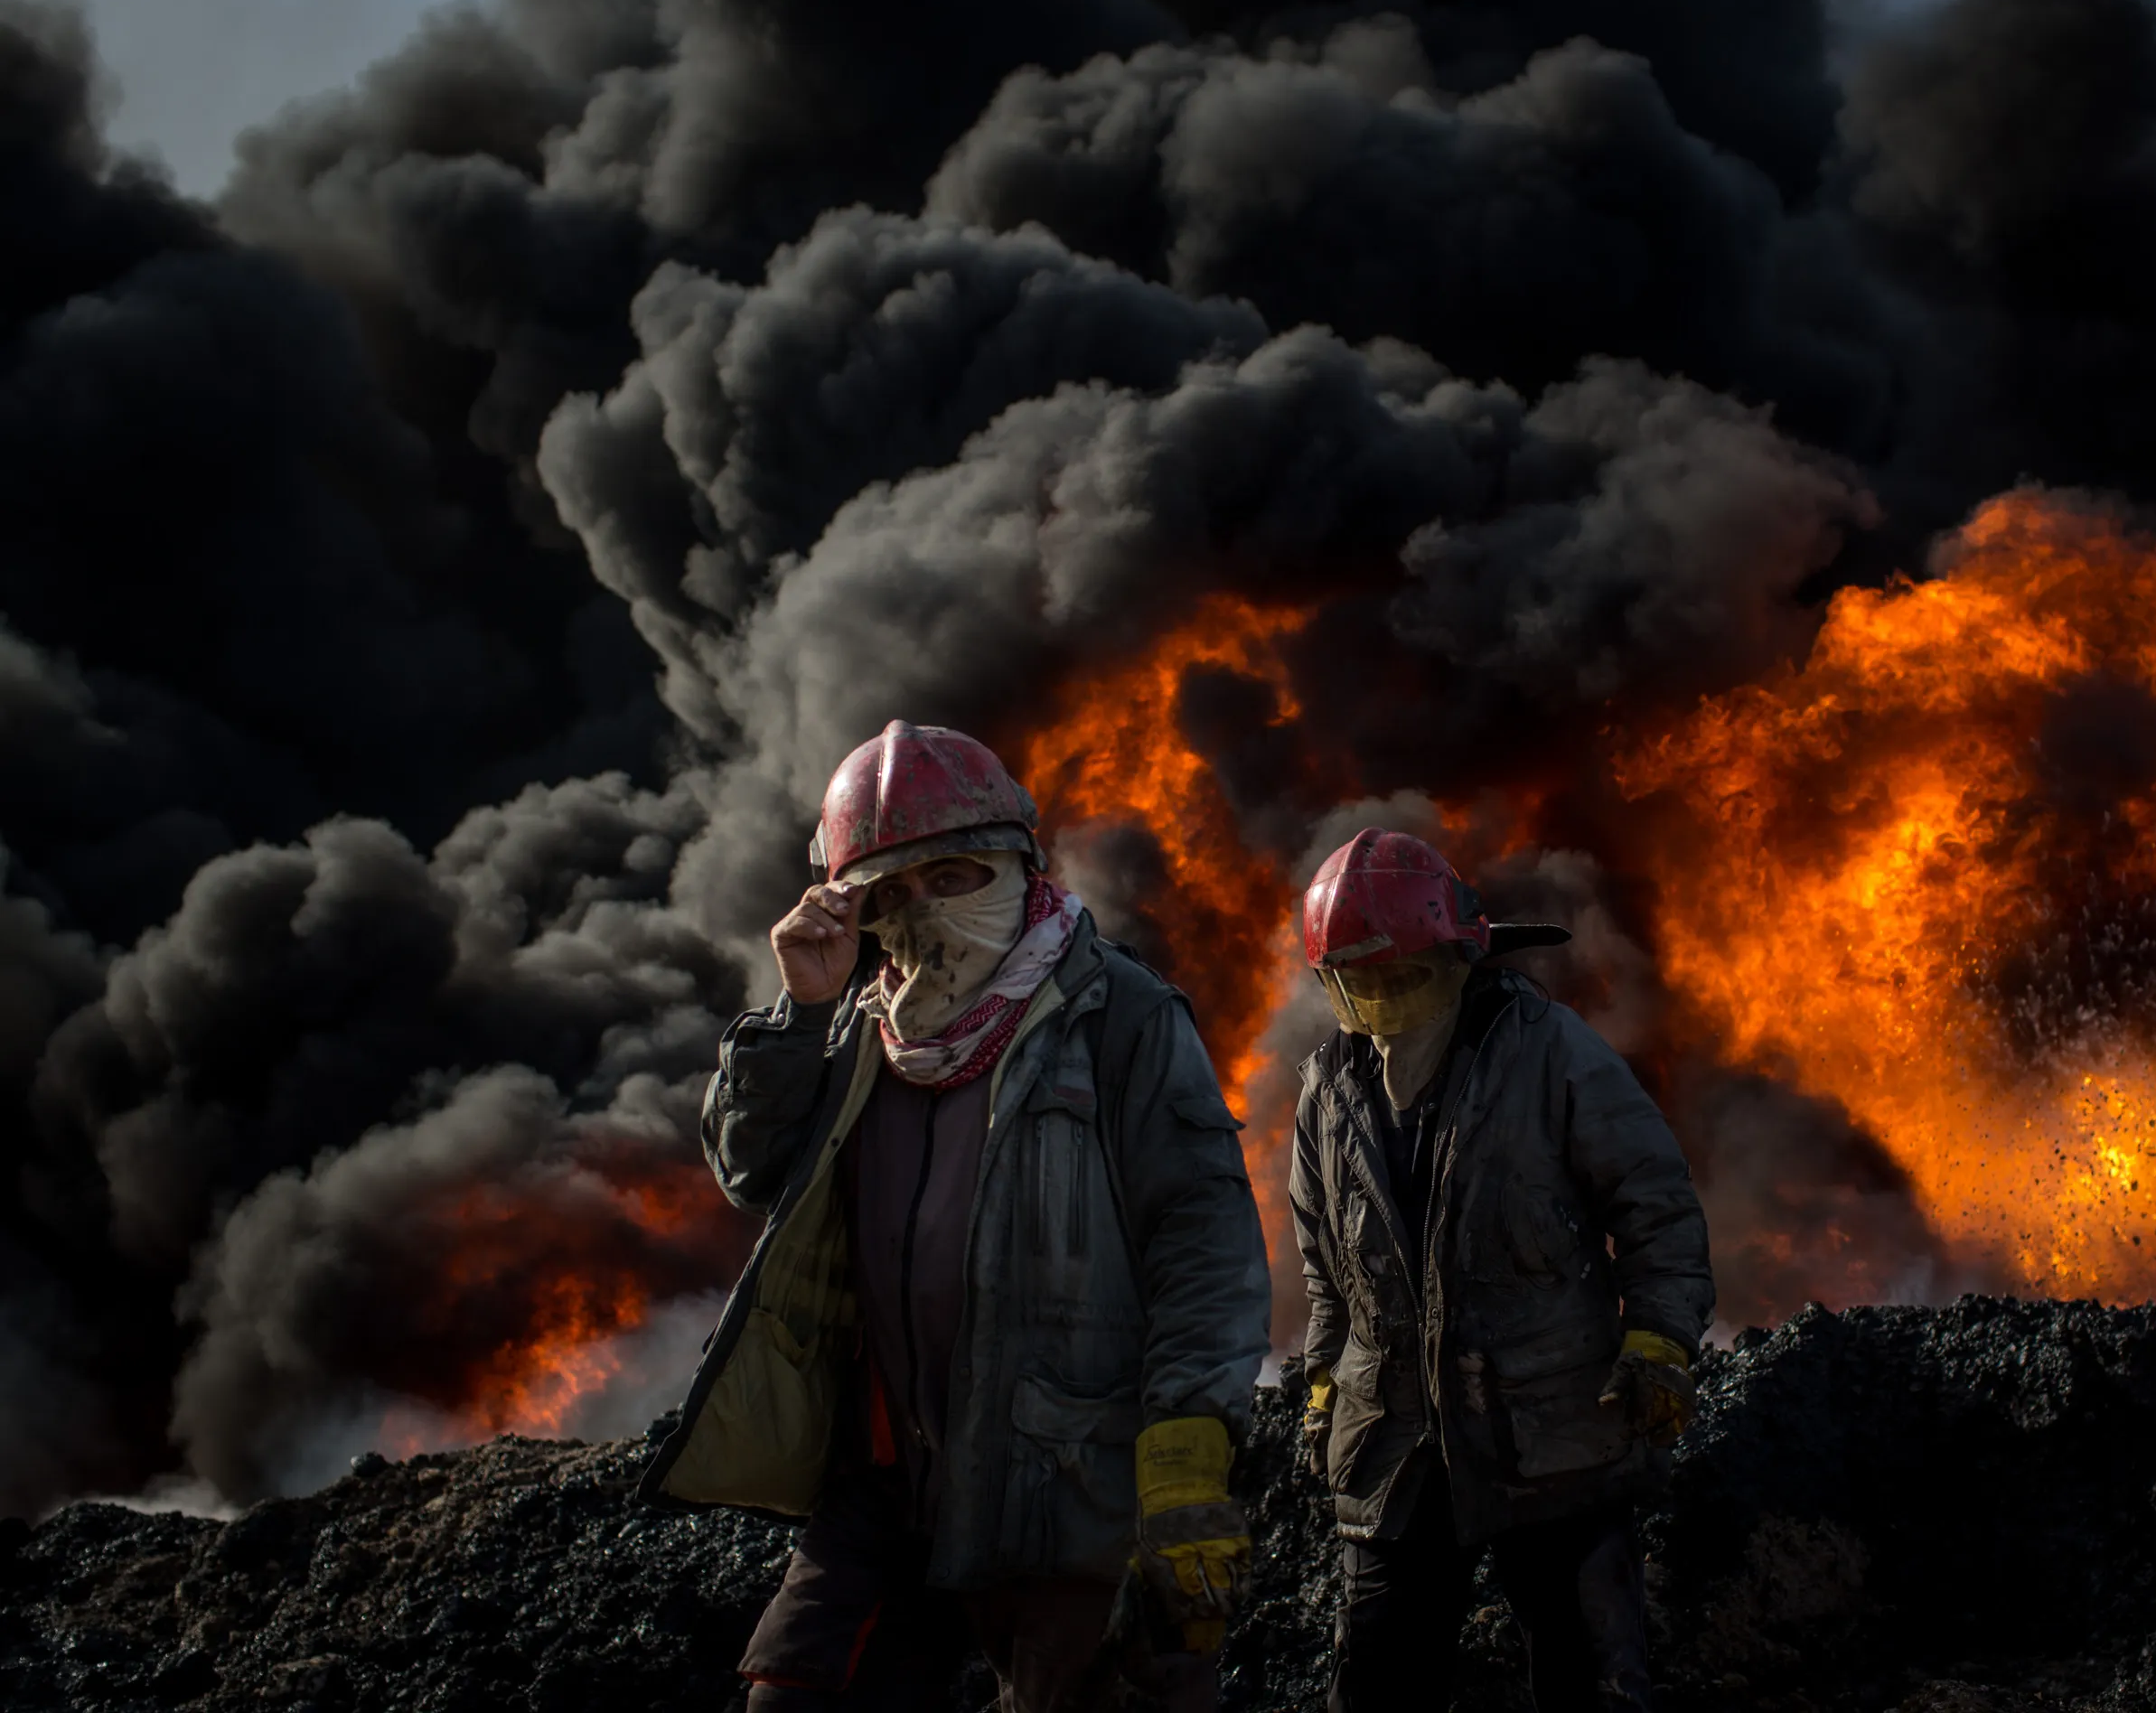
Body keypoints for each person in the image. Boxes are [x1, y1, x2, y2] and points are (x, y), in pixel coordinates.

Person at [642, 721, 1270, 1711]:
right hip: (889, 1474)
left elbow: (1204, 1243)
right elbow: (747, 1167)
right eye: (892, 891)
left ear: (1022, 862)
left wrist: (1186, 1451)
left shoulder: (1120, 1017)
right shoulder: (856, 1028)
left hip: (1064, 1475)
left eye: (955, 875)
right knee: (794, 1690)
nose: (925, 910)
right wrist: (800, 1010)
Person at [1289, 828, 1713, 1713]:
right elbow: (1324, 1258)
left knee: (1592, 1679)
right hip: (1395, 1441)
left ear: (1460, 955)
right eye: (1362, 987)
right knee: (1376, 1686)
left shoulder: (1551, 1052)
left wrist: (1659, 1338)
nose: (1389, 1005)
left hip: (1554, 1426)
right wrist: (1327, 1377)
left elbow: (1655, 1206)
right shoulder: (1328, 1088)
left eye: (1406, 978)